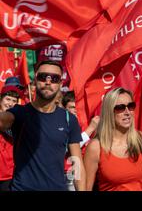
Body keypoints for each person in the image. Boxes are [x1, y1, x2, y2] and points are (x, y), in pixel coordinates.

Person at [0, 60, 86, 191]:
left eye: (55, 78)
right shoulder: (20, 113)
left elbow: (77, 162)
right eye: (43, 77)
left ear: (60, 84)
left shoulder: (68, 119)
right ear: (35, 80)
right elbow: (3, 120)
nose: (48, 82)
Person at [83, 87, 142, 191]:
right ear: (109, 111)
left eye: (131, 106)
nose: (127, 112)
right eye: (120, 108)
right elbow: (85, 188)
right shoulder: (96, 147)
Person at [61, 90, 100, 191]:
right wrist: (90, 130)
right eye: (72, 107)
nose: (76, 110)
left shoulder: (88, 121)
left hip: (90, 171)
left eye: (78, 107)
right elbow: (65, 147)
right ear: (65, 108)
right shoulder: (62, 123)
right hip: (70, 173)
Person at [0, 81, 21, 191]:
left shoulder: (18, 120)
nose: (10, 103)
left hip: (8, 174)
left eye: (14, 101)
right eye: (7, 99)